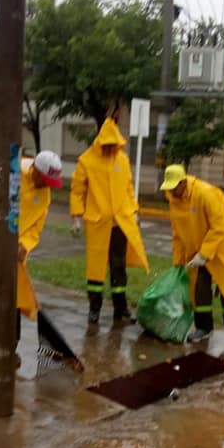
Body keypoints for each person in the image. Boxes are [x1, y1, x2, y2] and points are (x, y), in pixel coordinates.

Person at [0, 149, 64, 357]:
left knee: (14, 295)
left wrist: (25, 244)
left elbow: (37, 226)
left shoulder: (44, 195)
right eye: (44, 180)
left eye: (50, 183)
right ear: (35, 169)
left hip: (17, 251)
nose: (46, 186)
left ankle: (11, 346)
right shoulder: (12, 170)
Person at [160, 163, 224, 350]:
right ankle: (203, 327)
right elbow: (177, 233)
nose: (171, 192)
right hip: (199, 249)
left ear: (184, 182)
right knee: (199, 289)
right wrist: (178, 262)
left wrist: (205, 253)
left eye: (174, 187)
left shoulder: (205, 194)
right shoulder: (173, 201)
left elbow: (220, 227)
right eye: (169, 188)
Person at [70, 116, 149, 325]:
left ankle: (120, 309)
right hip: (98, 222)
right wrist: (76, 217)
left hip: (120, 223)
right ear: (100, 143)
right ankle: (94, 309)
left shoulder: (122, 159)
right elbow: (77, 190)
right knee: (95, 267)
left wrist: (134, 210)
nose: (111, 148)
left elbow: (129, 188)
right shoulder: (86, 161)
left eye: (114, 145)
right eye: (108, 145)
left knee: (119, 266)